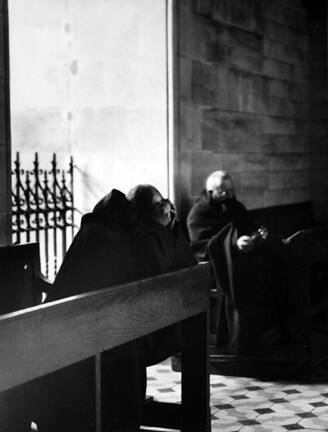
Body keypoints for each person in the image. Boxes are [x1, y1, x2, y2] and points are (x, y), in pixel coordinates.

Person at [36, 186, 195, 432]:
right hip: (83, 339)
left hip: (104, 331)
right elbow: (156, 261)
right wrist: (158, 225)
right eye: (161, 206)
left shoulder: (115, 227)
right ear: (143, 212)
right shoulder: (110, 234)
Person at [187, 170, 288, 355]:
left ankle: (270, 328)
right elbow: (205, 245)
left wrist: (256, 237)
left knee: (273, 265)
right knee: (251, 274)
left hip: (241, 256)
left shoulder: (234, 205)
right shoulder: (199, 212)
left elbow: (248, 227)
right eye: (223, 191)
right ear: (211, 191)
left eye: (231, 190)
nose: (229, 195)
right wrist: (234, 244)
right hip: (217, 265)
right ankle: (245, 335)